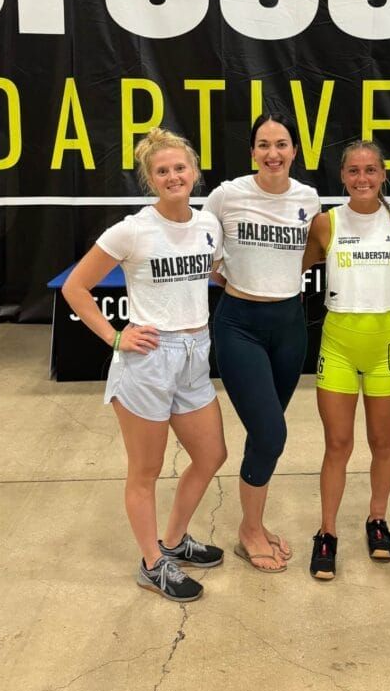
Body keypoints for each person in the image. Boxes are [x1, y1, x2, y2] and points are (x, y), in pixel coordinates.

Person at [62, 128, 227, 603]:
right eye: (163, 171)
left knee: (212, 454)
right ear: (150, 180)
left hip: (196, 353)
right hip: (149, 360)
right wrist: (115, 336)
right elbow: (76, 288)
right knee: (146, 469)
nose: (173, 176)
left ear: (194, 172)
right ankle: (152, 563)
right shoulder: (132, 229)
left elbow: (214, 272)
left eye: (180, 168)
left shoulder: (207, 225)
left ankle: (173, 541)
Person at [203, 112, 320, 572]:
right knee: (272, 432)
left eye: (282, 144)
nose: (273, 153)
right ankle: (249, 531)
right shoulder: (226, 196)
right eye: (264, 144)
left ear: (294, 151)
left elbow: (309, 252)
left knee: (262, 433)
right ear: (252, 151)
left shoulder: (307, 199)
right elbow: (202, 251)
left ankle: (256, 522)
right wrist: (234, 277)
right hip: (240, 324)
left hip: (290, 325)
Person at [302, 140, 390, 580]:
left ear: (383, 174)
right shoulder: (325, 223)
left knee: (383, 444)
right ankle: (326, 532)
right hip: (339, 345)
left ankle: (377, 520)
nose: (362, 178)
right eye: (353, 171)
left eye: (370, 170)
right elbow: (291, 269)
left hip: (387, 345)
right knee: (338, 445)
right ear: (342, 176)